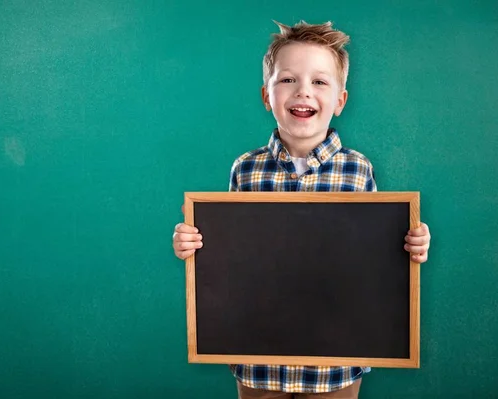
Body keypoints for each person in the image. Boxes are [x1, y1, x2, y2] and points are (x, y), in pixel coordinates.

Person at [172, 20, 431, 398]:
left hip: (337, 361)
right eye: (288, 80)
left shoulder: (358, 170)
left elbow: (378, 253)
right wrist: (192, 244)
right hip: (257, 357)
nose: (303, 92)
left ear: (340, 101)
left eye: (320, 82)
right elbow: (226, 255)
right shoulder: (245, 168)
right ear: (267, 96)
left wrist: (412, 245)